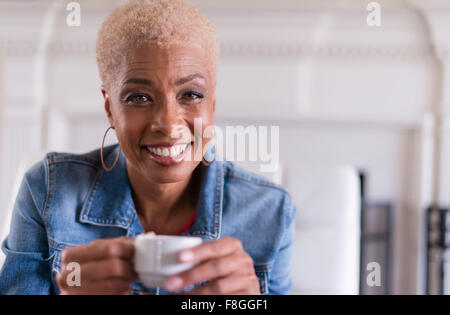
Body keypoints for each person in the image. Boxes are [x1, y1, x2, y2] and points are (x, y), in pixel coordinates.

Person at [0, 0, 296, 295]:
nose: (167, 125)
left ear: (212, 105)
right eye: (138, 98)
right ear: (110, 109)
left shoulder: (270, 213)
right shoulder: (48, 190)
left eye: (191, 94)